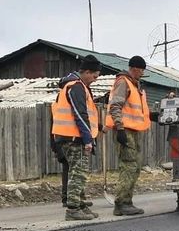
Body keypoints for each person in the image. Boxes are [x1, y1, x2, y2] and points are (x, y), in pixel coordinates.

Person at [51, 54, 101, 221]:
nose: (95, 79)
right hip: (73, 138)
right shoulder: (76, 87)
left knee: (77, 172)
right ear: (86, 72)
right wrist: (88, 139)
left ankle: (80, 205)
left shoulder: (74, 86)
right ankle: (73, 209)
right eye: (94, 76)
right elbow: (80, 114)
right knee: (77, 174)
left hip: (70, 137)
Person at [105, 55, 151, 216]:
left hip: (133, 131)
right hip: (125, 130)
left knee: (135, 167)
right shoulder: (123, 82)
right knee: (129, 166)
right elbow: (115, 106)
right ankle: (121, 203)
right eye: (141, 70)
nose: (142, 73)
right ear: (135, 69)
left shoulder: (134, 85)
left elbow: (135, 110)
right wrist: (120, 129)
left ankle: (127, 201)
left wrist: (152, 116)